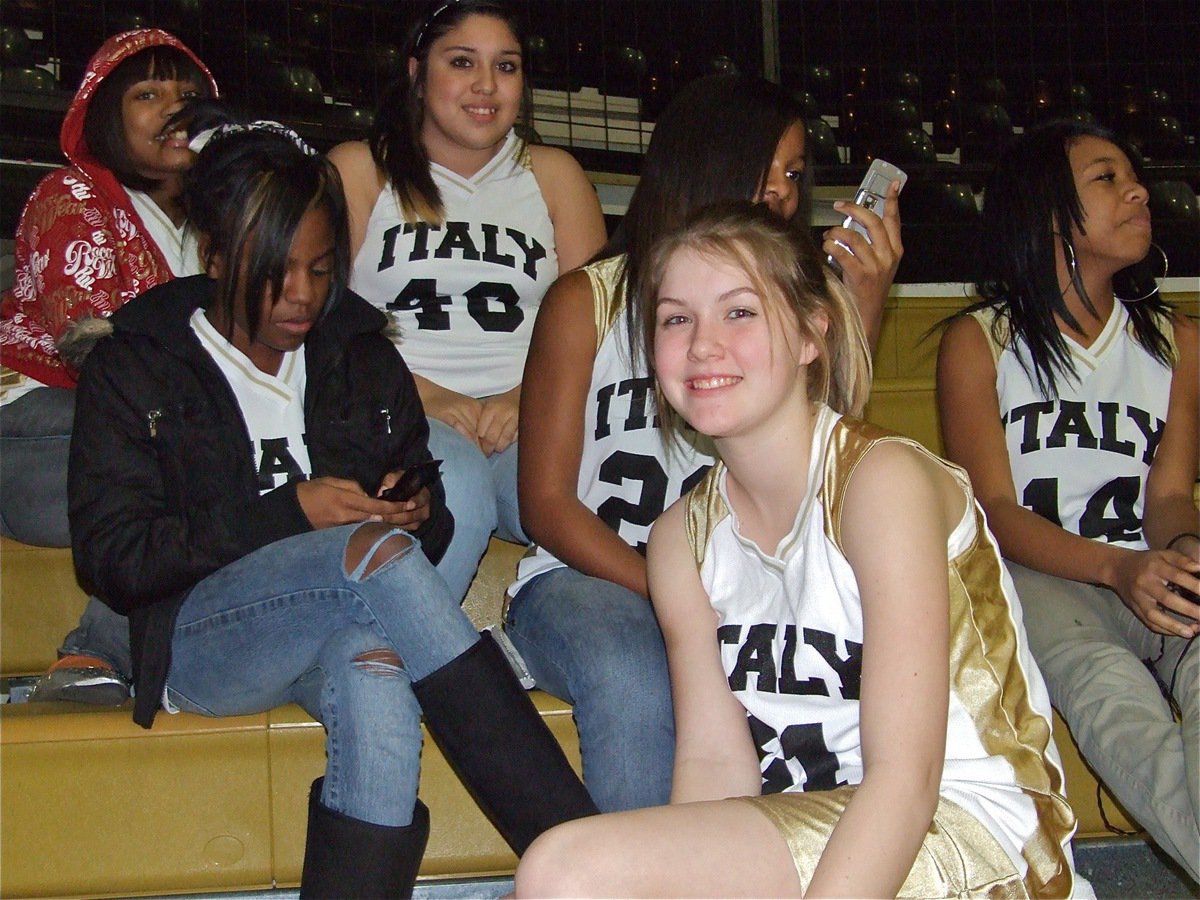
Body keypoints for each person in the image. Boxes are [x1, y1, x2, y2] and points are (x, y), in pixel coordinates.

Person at [67, 121, 596, 898]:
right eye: (275, 274)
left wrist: (418, 508)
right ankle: (579, 850)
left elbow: (422, 491)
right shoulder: (138, 362)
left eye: (320, 270)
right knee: (370, 558)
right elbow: (114, 559)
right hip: (194, 639)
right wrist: (293, 513)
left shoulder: (357, 351)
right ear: (213, 257)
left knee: (375, 672)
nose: (304, 296)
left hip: (337, 621)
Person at [514, 201, 1078, 898]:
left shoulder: (880, 484)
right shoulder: (678, 539)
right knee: (569, 877)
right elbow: (717, 769)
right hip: (805, 834)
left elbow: (906, 783)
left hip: (969, 836)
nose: (702, 344)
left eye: (740, 312)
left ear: (815, 333)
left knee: (565, 870)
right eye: (676, 318)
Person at [507, 73, 903, 812]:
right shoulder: (589, 298)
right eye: (767, 166)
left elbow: (820, 464)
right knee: (634, 667)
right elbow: (546, 505)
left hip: (736, 585)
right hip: (587, 577)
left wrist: (861, 309)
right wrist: (669, 593)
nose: (783, 193)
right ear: (707, 158)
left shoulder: (784, 314)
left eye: (794, 174)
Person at [936, 119, 1199, 882]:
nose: (1138, 190)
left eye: (1132, 175)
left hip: (1146, 565)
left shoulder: (1176, 340)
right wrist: (1118, 571)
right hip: (1043, 576)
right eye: (1107, 178)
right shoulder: (981, 340)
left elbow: (1172, 495)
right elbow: (995, 509)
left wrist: (1184, 551)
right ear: (1048, 213)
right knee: (1114, 699)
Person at [329, 0, 606, 601]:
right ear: (416, 72)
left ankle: (544, 634)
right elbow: (320, 320)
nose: (486, 85)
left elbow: (599, 322)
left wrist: (524, 397)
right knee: (460, 493)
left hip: (526, 414)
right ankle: (398, 663)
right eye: (462, 62)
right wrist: (422, 393)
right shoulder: (359, 169)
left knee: (596, 497)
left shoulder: (555, 175)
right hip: (398, 409)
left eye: (505, 67)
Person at [0, 28, 217, 703]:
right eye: (148, 95)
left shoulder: (220, 222)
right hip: (36, 436)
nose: (176, 110)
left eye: (189, 95)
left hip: (129, 460)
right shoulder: (72, 196)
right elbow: (97, 351)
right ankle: (98, 653)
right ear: (105, 115)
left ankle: (106, 654)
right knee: (208, 461)